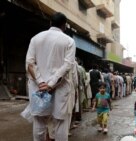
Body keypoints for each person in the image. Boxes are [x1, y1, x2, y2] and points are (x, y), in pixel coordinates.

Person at [25, 12, 76, 141]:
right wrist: (51, 84)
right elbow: (67, 65)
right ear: (64, 25)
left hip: (38, 88)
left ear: (50, 23)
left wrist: (41, 82)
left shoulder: (35, 38)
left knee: (39, 122)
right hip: (60, 88)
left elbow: (29, 63)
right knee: (60, 124)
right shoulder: (69, 41)